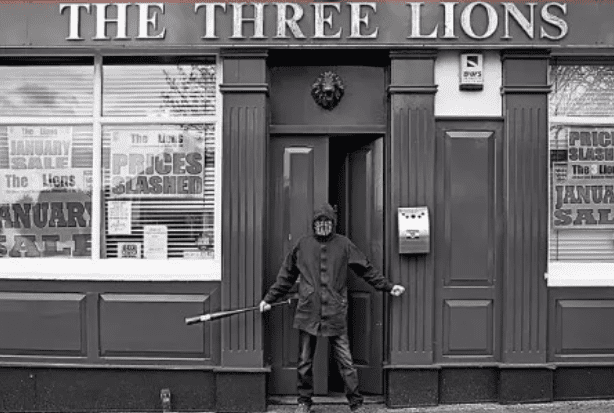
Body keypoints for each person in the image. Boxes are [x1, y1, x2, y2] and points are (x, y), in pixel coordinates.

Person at [260, 203, 405, 413]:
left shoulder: (344, 244)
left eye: (327, 222)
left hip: (335, 311)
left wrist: (389, 287)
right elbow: (286, 276)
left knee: (346, 361)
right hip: (308, 312)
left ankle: (356, 403)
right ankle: (304, 402)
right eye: (319, 222)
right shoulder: (302, 245)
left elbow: (365, 269)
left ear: (333, 223)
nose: (323, 225)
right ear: (313, 224)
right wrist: (269, 298)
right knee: (304, 362)